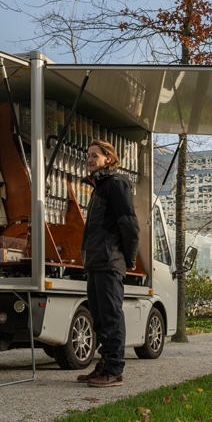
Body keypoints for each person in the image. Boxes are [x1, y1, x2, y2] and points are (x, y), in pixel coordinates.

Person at [76, 139, 140, 388]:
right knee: (100, 318)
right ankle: (104, 364)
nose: (90, 159)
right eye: (88, 155)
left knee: (111, 316)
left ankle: (114, 370)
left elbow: (130, 225)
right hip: (95, 262)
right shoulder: (99, 188)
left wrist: (129, 258)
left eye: (95, 155)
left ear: (109, 159)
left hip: (109, 260)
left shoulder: (116, 183)